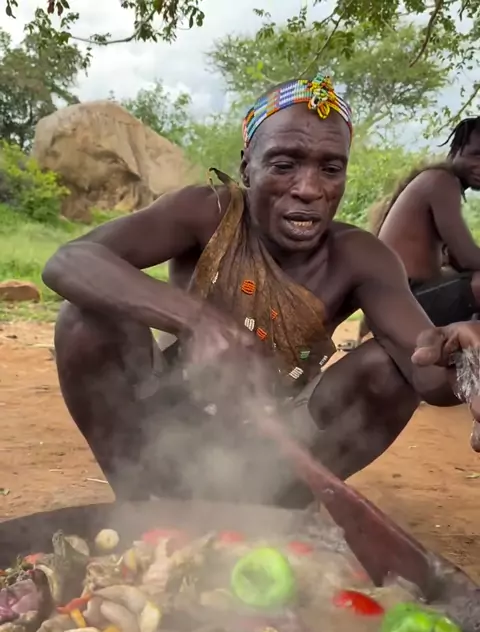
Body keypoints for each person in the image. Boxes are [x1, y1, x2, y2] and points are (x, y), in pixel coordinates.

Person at [42, 74, 480, 508]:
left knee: (388, 370)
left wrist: (465, 366)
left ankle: (275, 516)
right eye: (284, 165)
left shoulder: (362, 258)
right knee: (84, 317)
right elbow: (70, 261)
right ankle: (144, 507)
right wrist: (197, 321)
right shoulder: (207, 212)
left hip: (274, 444)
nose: (308, 189)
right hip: (169, 421)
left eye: (331, 169)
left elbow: (424, 373)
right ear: (246, 166)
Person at [357, 117, 480, 344]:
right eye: (477, 154)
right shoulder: (442, 181)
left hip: (400, 300)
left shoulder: (440, 181)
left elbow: (459, 262)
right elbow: (467, 257)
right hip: (403, 304)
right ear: (456, 151)